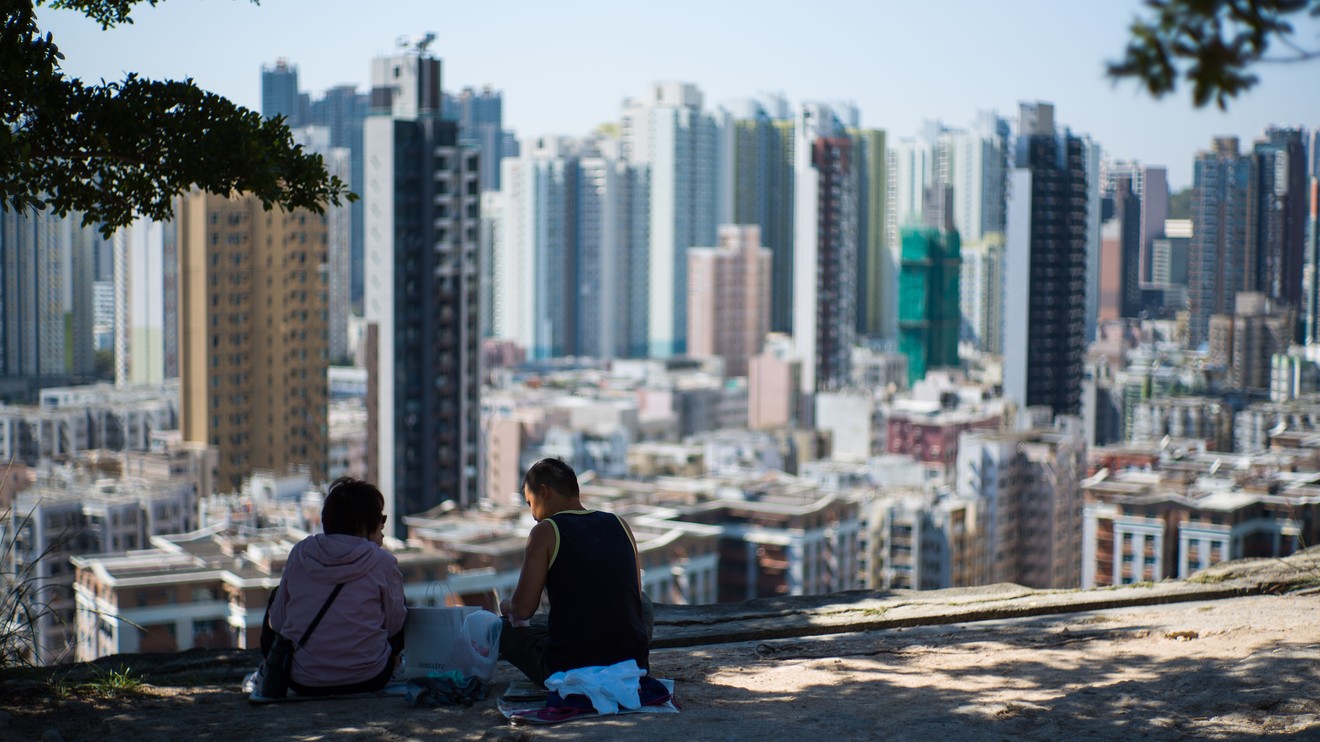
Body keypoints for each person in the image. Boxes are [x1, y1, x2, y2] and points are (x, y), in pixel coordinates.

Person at [499, 458, 653, 685]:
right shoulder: (620, 524)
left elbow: (522, 610)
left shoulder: (545, 531)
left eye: (530, 503)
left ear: (544, 491)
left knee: (501, 628)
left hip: (570, 667)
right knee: (645, 602)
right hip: (632, 663)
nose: (532, 514)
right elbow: (635, 595)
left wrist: (506, 606)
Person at [260, 477, 407, 696]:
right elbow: (395, 625)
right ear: (360, 526)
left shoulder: (300, 554)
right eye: (380, 519)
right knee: (399, 607)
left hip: (302, 680)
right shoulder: (383, 562)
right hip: (370, 676)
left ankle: (270, 667)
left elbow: (279, 622)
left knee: (277, 597)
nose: (383, 526)